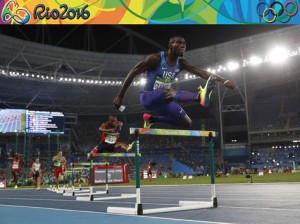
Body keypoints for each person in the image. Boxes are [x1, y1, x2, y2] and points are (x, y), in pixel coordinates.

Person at [113, 35, 236, 128]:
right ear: (171, 45)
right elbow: (132, 72)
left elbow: (202, 73)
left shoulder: (181, 63)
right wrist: (120, 96)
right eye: (179, 43)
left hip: (164, 102)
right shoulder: (155, 59)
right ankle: (199, 98)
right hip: (148, 98)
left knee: (187, 123)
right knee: (170, 91)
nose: (183, 46)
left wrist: (224, 81)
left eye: (184, 44)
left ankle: (152, 120)